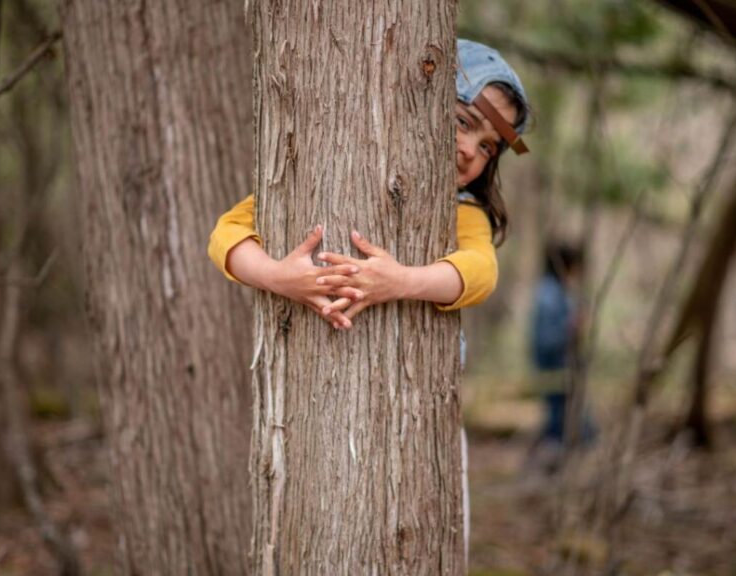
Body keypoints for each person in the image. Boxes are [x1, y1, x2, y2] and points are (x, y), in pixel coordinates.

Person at [208, 38, 531, 561]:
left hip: (424, 415)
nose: (473, 150)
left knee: (435, 540)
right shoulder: (331, 169)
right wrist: (278, 276)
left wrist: (400, 281)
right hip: (309, 399)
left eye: (490, 145)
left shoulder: (463, 210)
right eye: (463, 121)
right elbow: (226, 233)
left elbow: (480, 272)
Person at [528, 240, 593, 470]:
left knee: (569, 423)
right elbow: (546, 339)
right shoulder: (549, 294)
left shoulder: (556, 291)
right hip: (554, 368)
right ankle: (543, 472)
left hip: (561, 366)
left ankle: (554, 472)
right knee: (558, 423)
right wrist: (572, 326)